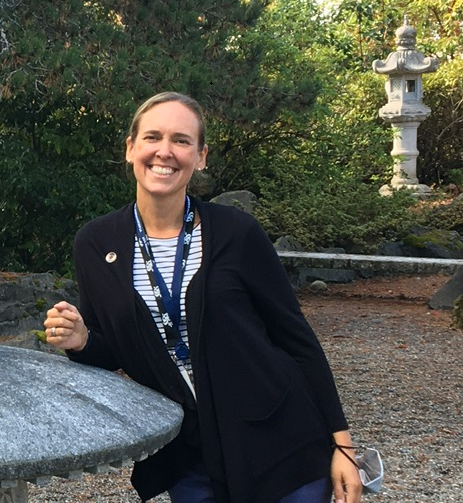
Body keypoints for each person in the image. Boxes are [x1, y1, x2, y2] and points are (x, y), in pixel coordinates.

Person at [43, 92, 362, 503]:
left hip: (279, 440)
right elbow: (116, 349)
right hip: (191, 456)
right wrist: (82, 340)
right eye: (153, 137)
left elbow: (296, 338)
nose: (165, 152)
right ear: (131, 149)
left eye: (181, 140)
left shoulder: (237, 232)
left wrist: (343, 446)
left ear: (201, 156)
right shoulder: (96, 243)